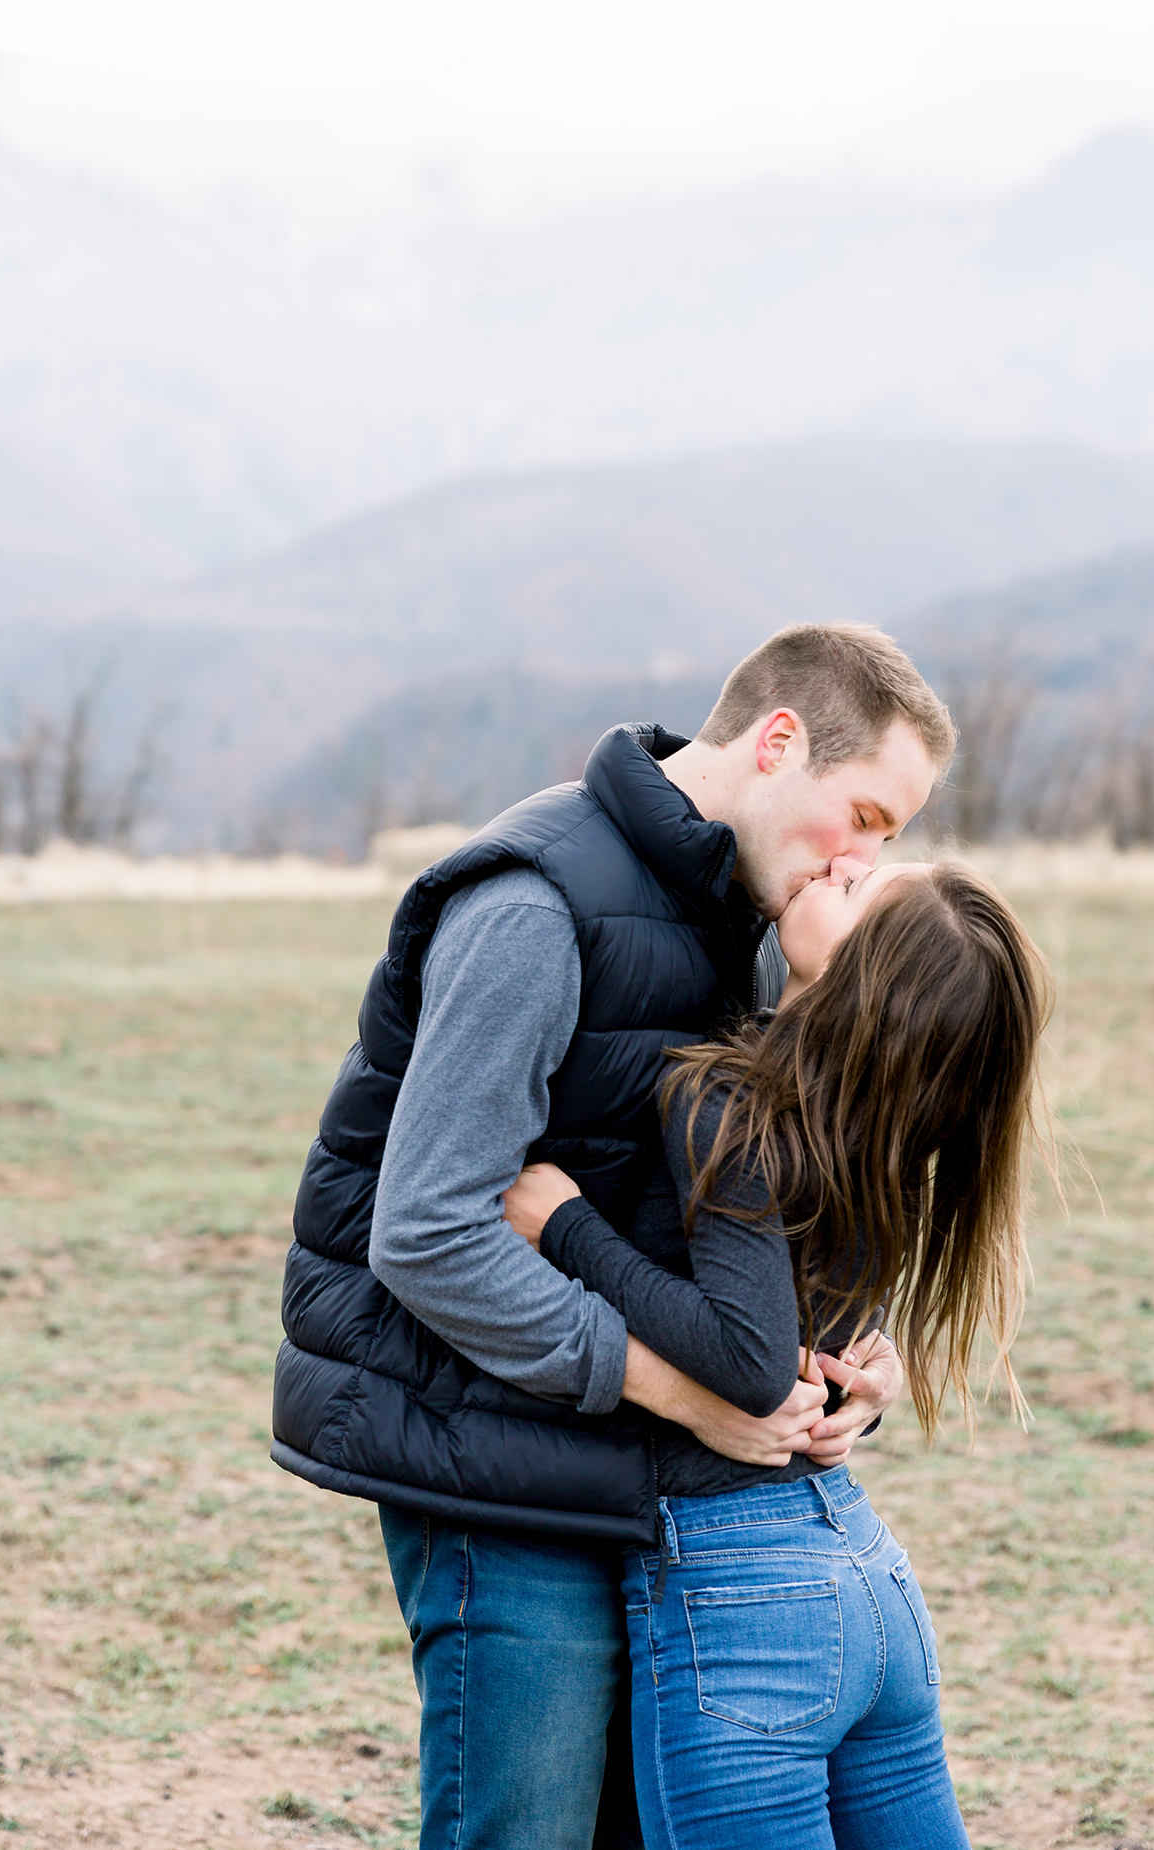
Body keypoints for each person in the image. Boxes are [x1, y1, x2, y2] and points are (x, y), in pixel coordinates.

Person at [272, 622, 956, 1849]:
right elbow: (428, 1233)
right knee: (526, 1830)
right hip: (491, 1458)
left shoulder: (757, 921)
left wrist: (850, 1349)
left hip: (647, 1484)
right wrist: (690, 1398)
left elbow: (737, 1203)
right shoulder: (534, 906)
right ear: (778, 742)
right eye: (865, 817)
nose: (863, 863)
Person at [503, 854, 1053, 1850]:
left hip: (745, 1600)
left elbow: (753, 1363)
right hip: (868, 1584)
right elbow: (821, 1342)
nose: (846, 863)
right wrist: (870, 1385)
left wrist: (569, 1230)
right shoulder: (878, 1135)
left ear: (860, 984)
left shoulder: (723, 1100)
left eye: (862, 888)